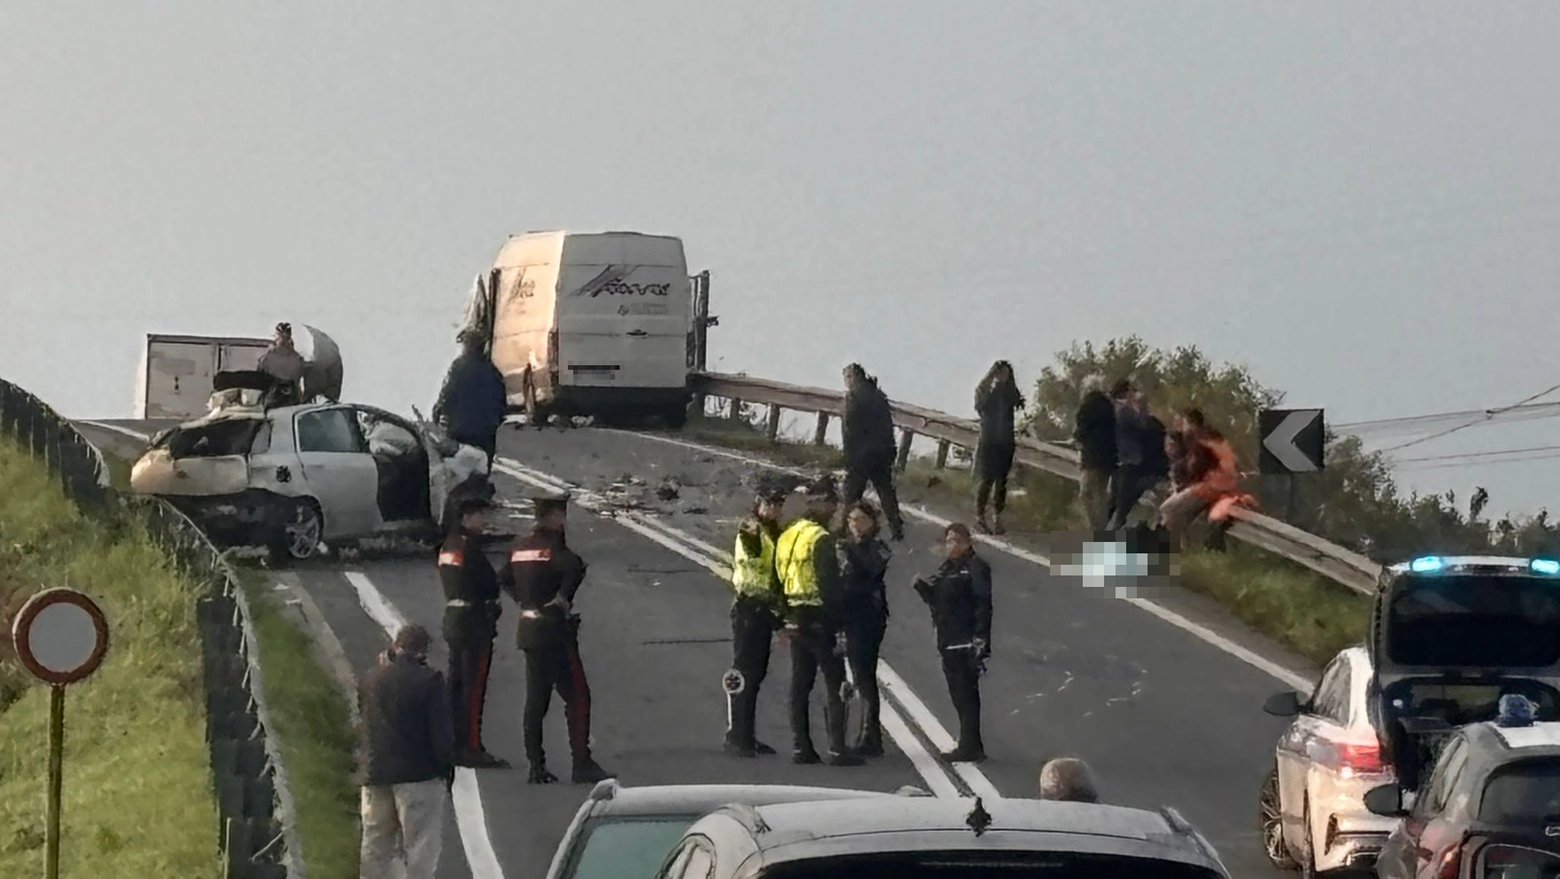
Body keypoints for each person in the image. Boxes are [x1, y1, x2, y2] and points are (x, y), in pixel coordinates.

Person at [499, 491, 612, 785]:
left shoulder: (519, 546)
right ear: (555, 517)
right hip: (555, 633)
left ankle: (536, 765)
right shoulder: (555, 550)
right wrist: (561, 599)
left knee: (535, 702)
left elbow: (504, 577)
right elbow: (574, 567)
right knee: (578, 696)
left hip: (529, 630)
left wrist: (524, 602)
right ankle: (581, 761)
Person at [776, 475, 865, 766]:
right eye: (834, 504)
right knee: (834, 681)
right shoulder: (821, 539)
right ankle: (838, 749)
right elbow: (829, 585)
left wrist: (784, 614)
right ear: (826, 503)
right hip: (820, 618)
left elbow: (778, 575)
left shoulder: (790, 533)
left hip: (794, 614)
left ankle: (801, 747)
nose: (836, 510)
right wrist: (839, 625)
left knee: (800, 683)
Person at [357, 623, 455, 879]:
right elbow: (441, 735)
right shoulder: (430, 682)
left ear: (394, 647)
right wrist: (446, 771)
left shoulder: (370, 678)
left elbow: (363, 719)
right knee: (420, 847)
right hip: (418, 776)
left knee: (375, 844)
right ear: (423, 652)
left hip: (375, 773)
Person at [438, 497, 508, 769]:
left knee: (456, 685)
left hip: (454, 619)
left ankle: (454, 742)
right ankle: (471, 746)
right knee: (473, 687)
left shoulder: (448, 546)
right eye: (480, 515)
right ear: (466, 517)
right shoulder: (469, 549)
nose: (484, 521)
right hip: (474, 623)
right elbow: (489, 584)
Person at [913, 523, 992, 763]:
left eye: (958, 540)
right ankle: (970, 742)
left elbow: (983, 603)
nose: (953, 545)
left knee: (966, 694)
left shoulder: (976, 567)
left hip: (966, 640)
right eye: (949, 541)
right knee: (958, 694)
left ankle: (969, 745)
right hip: (947, 639)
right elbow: (938, 603)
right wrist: (922, 588)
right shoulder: (948, 568)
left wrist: (980, 637)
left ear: (969, 542)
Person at [724, 477, 789, 758]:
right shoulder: (751, 528)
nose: (774, 508)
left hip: (765, 608)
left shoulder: (774, 531)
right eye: (769, 503)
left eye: (778, 504)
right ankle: (736, 736)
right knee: (745, 673)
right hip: (750, 606)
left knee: (757, 674)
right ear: (759, 503)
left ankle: (747, 735)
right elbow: (755, 562)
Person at [837, 500, 892, 757]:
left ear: (872, 522)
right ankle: (867, 733)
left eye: (860, 519)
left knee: (864, 674)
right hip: (849, 614)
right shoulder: (848, 546)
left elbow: (871, 571)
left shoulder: (878, 548)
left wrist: (849, 554)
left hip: (869, 617)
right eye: (851, 520)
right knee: (859, 675)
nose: (855, 525)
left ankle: (871, 735)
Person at [840, 364, 905, 541]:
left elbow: (848, 429)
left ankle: (842, 529)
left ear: (853, 378)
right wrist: (891, 450)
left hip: (860, 454)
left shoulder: (852, 397)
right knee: (885, 491)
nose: (846, 382)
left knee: (851, 494)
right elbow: (888, 425)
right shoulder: (878, 396)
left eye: (847, 377)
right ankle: (896, 527)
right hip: (881, 452)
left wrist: (848, 456)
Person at [1159, 409, 1243, 547]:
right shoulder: (1209, 436)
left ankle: (1172, 546)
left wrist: (1184, 486)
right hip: (1218, 483)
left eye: (1184, 423)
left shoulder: (1201, 440)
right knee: (1178, 513)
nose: (1182, 427)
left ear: (1191, 423)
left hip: (1213, 485)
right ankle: (1179, 548)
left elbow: (1197, 467)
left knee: (1168, 508)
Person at [432, 329, 508, 468]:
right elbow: (502, 403)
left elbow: (447, 394)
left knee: (453, 468)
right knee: (484, 467)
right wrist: (496, 420)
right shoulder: (492, 371)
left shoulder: (457, 368)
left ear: (466, 347)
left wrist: (437, 412)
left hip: (460, 432)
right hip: (485, 434)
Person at [973, 360, 1026, 535]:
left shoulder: (1010, 391)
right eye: (1000, 373)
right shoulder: (985, 389)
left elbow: (1018, 403)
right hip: (989, 440)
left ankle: (997, 517)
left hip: (1005, 441)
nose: (1003, 377)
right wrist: (992, 389)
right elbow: (980, 407)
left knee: (1001, 481)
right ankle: (980, 517)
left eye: (1006, 374)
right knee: (987, 478)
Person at [1106, 386, 1167, 531]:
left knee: (1119, 501)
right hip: (1142, 471)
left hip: (1143, 471)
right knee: (1119, 496)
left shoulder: (1142, 422)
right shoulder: (1130, 417)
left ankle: (1114, 526)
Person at [1073, 376, 1117, 530]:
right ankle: (1105, 530)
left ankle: (1098, 528)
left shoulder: (1086, 406)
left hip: (1091, 457)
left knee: (1085, 494)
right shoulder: (1109, 406)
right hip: (1109, 458)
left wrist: (1077, 440)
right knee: (1101, 495)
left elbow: (1080, 433)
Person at [258, 322, 306, 407]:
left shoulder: (269, 357)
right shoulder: (297, 358)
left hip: (273, 397)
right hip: (292, 398)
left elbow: (261, 371)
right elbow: (298, 378)